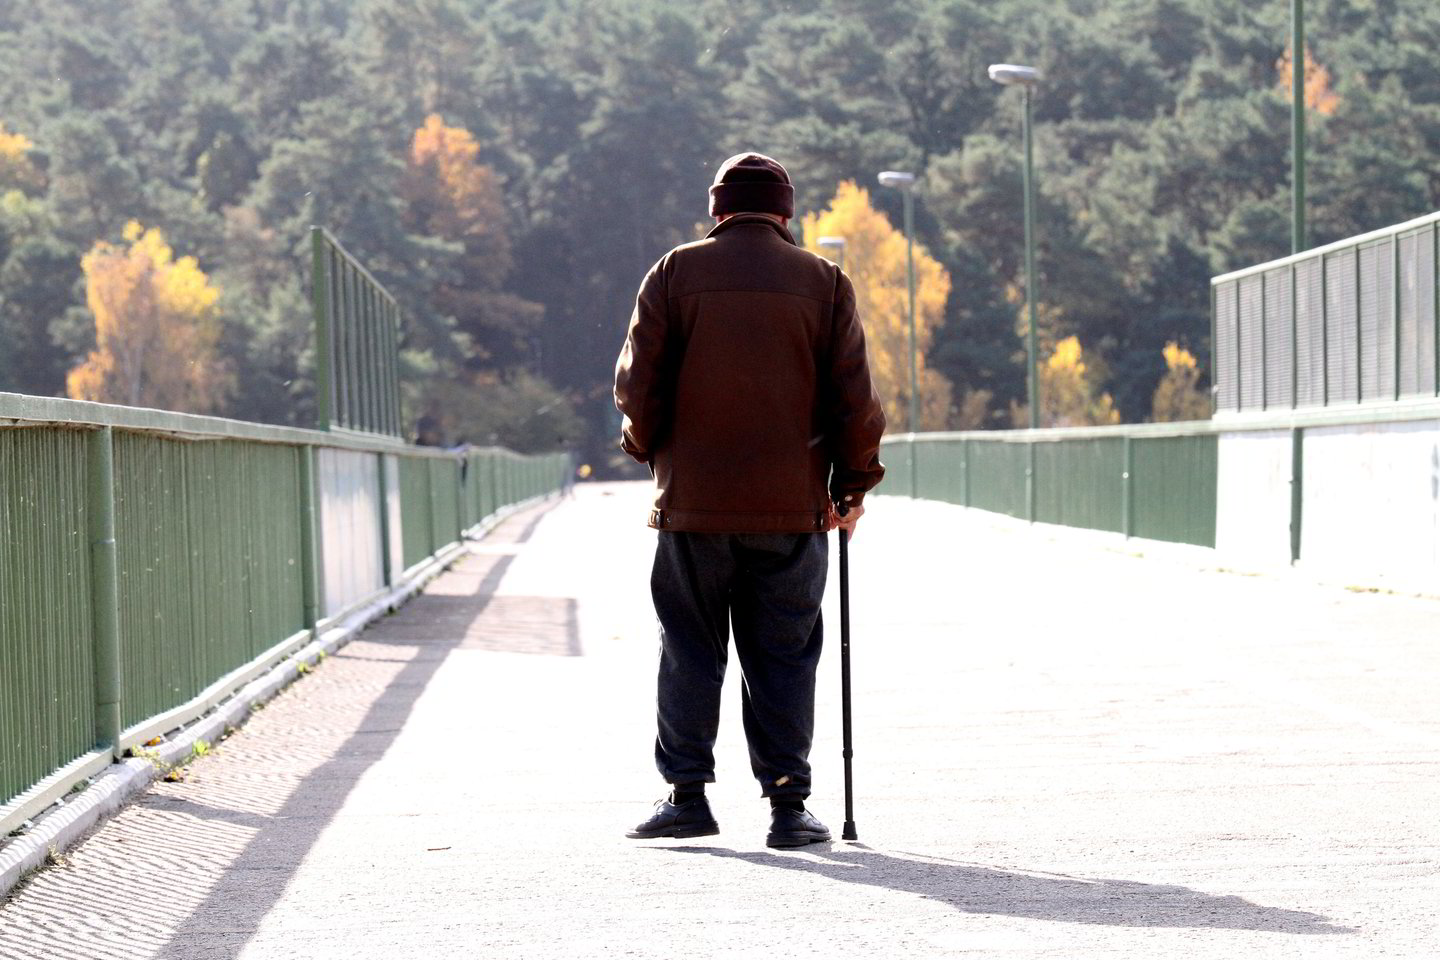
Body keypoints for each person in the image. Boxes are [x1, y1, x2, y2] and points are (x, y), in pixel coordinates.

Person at [613, 152, 886, 848]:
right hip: (793, 509)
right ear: (786, 212)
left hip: (692, 507)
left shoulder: (674, 272)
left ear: (718, 209)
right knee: (784, 654)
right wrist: (852, 488)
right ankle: (789, 806)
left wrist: (646, 449)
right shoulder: (824, 281)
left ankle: (687, 799)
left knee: (689, 647)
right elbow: (855, 399)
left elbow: (638, 385)